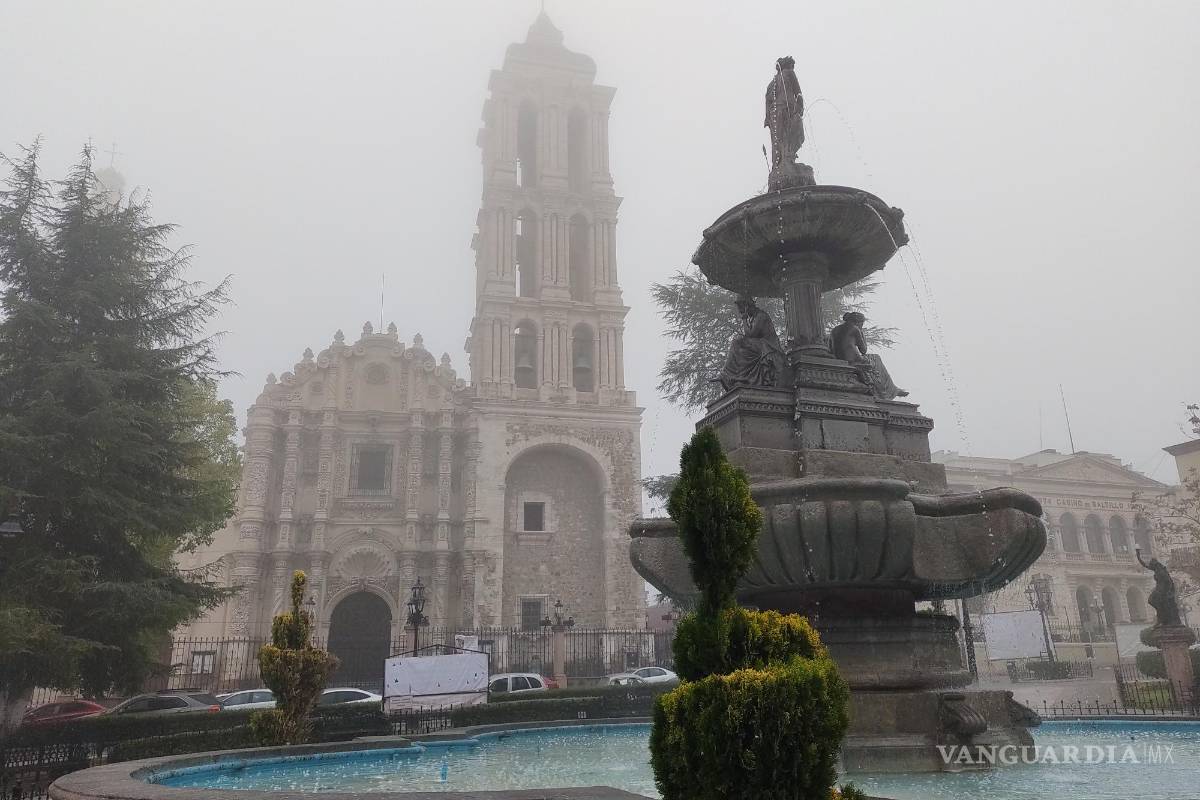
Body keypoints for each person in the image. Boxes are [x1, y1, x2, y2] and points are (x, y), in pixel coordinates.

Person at [829, 312, 908, 400]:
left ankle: (892, 388)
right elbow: (863, 350)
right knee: (876, 358)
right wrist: (861, 333)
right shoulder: (855, 329)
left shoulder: (834, 330)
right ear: (859, 322)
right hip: (853, 360)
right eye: (862, 324)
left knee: (873, 359)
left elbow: (830, 348)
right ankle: (891, 390)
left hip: (839, 359)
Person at [717, 296, 785, 391]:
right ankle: (736, 377)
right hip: (760, 344)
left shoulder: (761, 315)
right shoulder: (753, 317)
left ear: (746, 306)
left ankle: (728, 375)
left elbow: (751, 334)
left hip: (769, 346)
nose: (741, 312)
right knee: (738, 347)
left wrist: (744, 319)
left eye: (741, 309)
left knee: (737, 343)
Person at [1136, 548, 1183, 627]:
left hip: (1163, 591)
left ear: (1154, 564)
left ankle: (1161, 618)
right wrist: (1138, 555)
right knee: (1151, 601)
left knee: (1156, 602)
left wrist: (1167, 592)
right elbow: (1144, 564)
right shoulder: (1156, 569)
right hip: (1158, 589)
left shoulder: (1161, 571)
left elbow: (1169, 582)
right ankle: (1161, 616)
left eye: (1151, 564)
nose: (1150, 566)